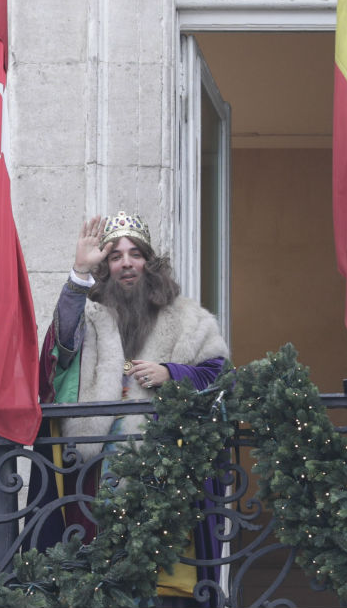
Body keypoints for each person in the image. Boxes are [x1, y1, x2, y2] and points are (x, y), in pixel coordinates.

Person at [29, 211, 230, 606]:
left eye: (134, 254)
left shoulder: (187, 317)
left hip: (163, 470)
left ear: (149, 262)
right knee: (98, 573)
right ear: (105, 267)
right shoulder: (88, 313)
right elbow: (59, 351)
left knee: (161, 579)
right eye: (115, 256)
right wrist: (78, 274)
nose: (125, 263)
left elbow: (219, 375)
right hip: (95, 469)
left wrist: (171, 373)